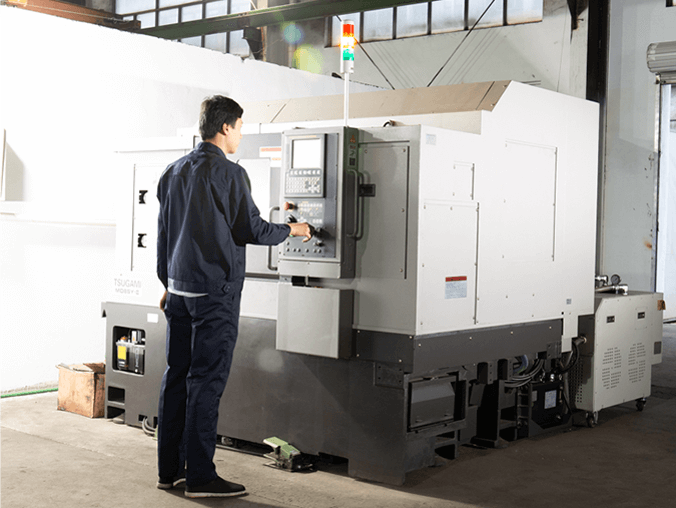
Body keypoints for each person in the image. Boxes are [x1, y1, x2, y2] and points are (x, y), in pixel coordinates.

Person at [155, 95, 312, 498]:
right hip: (214, 295)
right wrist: (293, 230)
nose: (240, 134)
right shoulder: (229, 173)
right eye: (240, 127)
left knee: (176, 377)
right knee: (206, 383)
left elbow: (164, 234)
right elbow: (252, 229)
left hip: (179, 292)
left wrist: (167, 284)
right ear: (226, 127)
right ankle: (201, 478)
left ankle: (169, 471)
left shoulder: (173, 171)